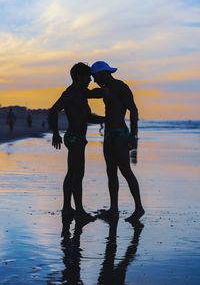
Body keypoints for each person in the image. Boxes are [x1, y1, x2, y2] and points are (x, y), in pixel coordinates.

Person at [88, 61, 145, 223]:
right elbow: (90, 93)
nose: (94, 80)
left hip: (120, 134)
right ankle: (114, 209)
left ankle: (139, 208)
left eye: (94, 77)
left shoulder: (121, 87)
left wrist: (133, 136)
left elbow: (133, 111)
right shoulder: (104, 89)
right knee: (111, 171)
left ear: (103, 73)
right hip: (109, 134)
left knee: (125, 170)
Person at [48, 62, 104, 221]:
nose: (90, 80)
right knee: (78, 174)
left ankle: (67, 207)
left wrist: (105, 118)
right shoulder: (71, 93)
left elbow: (88, 115)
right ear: (79, 76)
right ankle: (79, 211)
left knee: (72, 172)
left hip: (78, 138)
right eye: (88, 77)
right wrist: (55, 134)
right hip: (73, 138)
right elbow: (53, 110)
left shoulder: (81, 93)